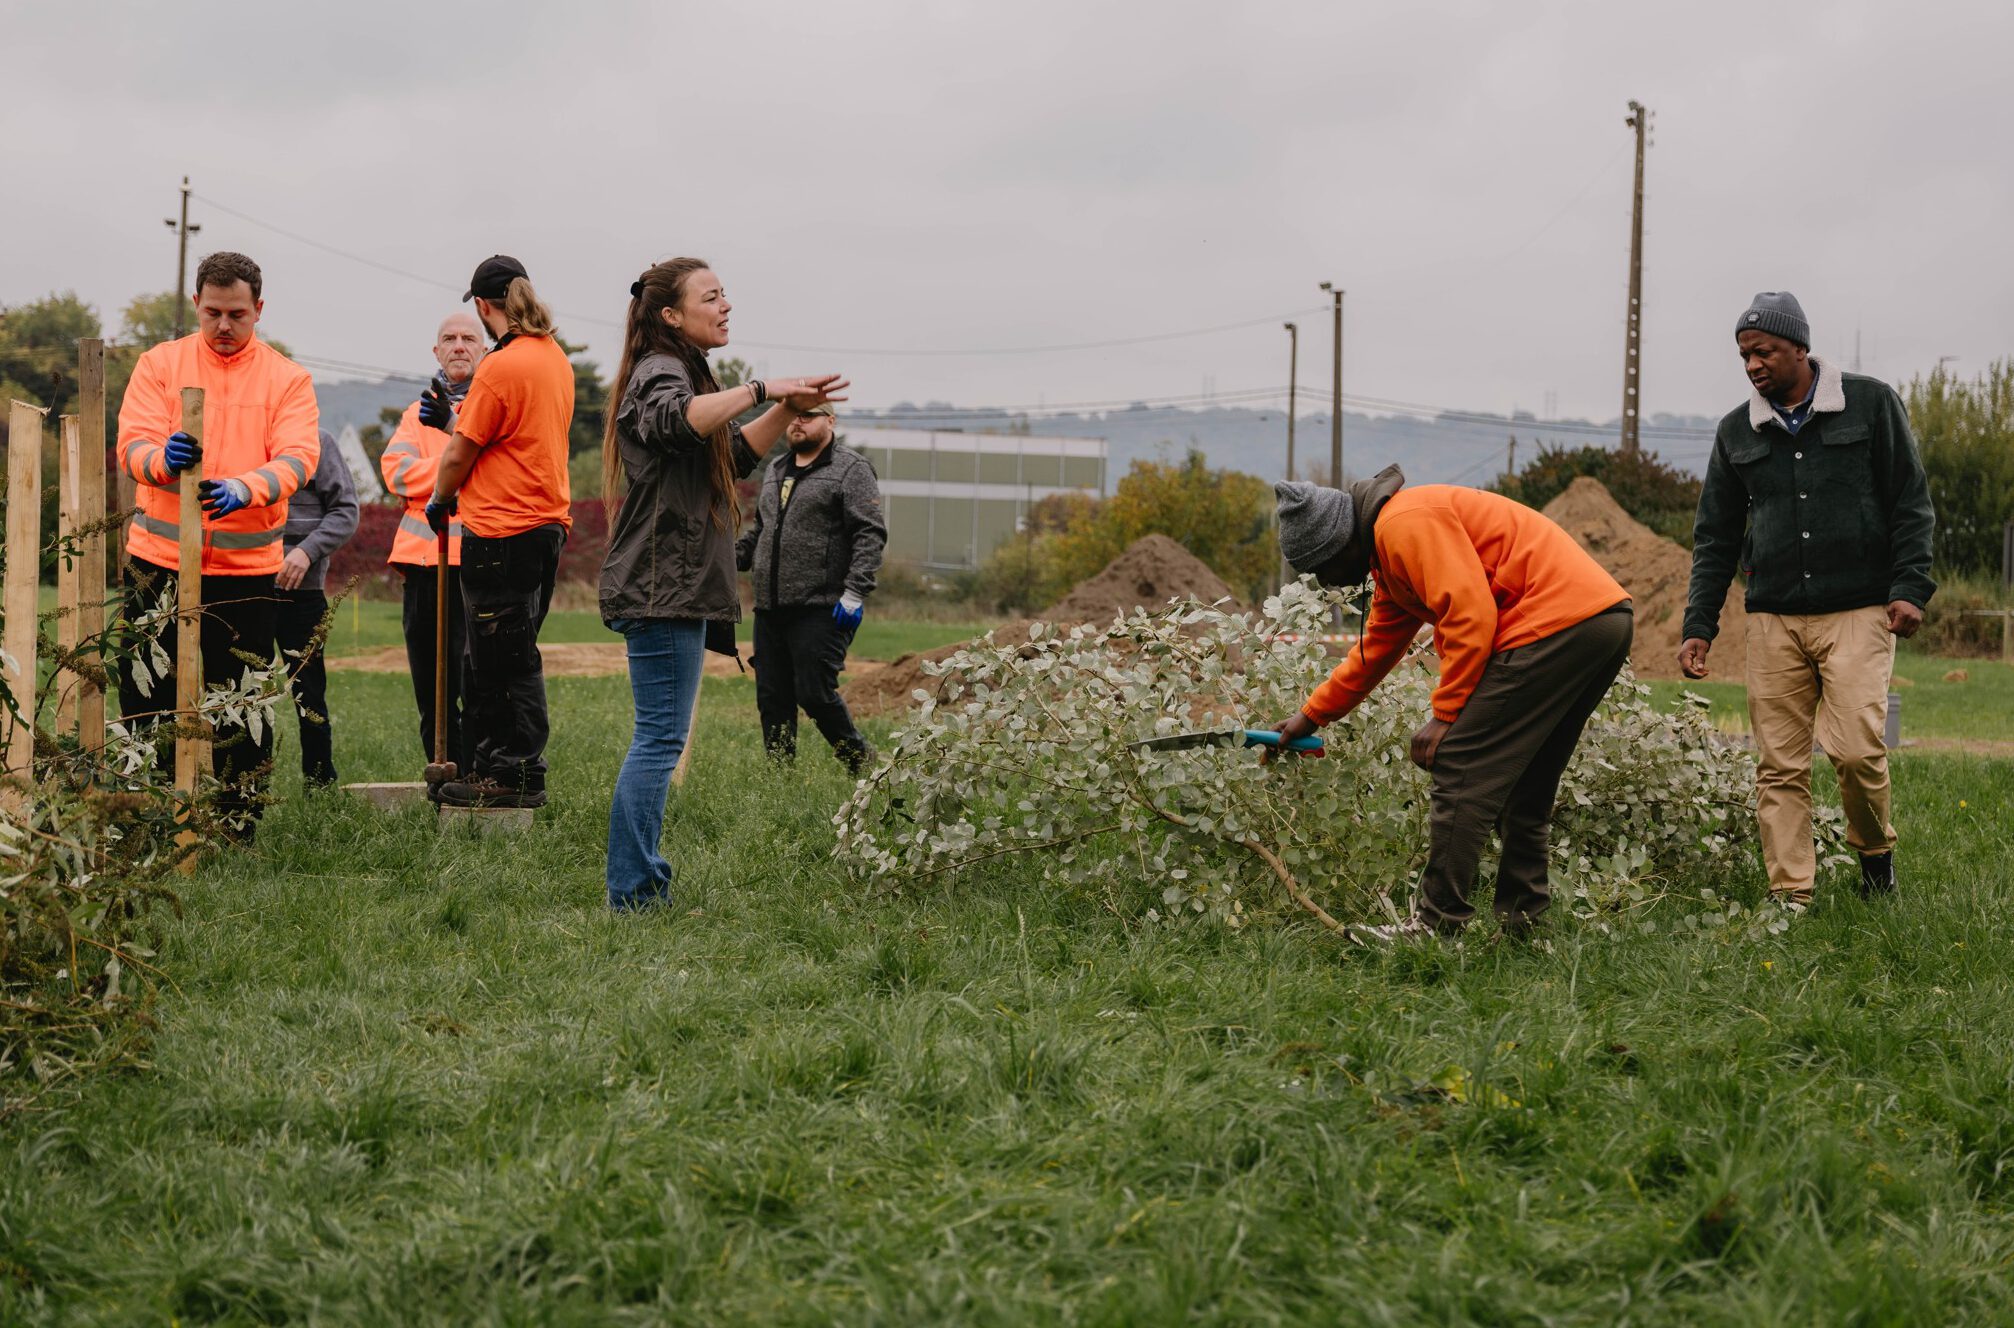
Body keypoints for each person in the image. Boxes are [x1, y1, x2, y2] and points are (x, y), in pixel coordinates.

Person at [1270, 468, 1633, 941]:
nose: (1326, 582)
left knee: (1460, 761)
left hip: (1552, 623)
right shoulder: (1389, 558)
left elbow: (1470, 616)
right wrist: (1311, 715)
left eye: (1322, 568)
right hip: (1599, 620)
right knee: (1526, 784)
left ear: (1340, 545)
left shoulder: (1404, 525)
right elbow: (1374, 650)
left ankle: (1436, 926)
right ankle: (1524, 926)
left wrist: (1445, 718)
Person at [599, 256, 847, 911]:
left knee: (659, 737)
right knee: (658, 739)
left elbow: (727, 456)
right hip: (662, 585)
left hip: (673, 584)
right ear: (672, 316)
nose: (726, 305)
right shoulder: (661, 370)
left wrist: (786, 406)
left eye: (726, 294)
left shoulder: (682, 370)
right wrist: (762, 388)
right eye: (712, 296)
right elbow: (673, 420)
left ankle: (639, 883)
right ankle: (633, 892)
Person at [1679, 292, 1936, 906]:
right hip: (1773, 617)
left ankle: (1875, 859)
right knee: (1779, 765)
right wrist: (1699, 623)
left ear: (1799, 346)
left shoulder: (1870, 404)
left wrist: (1910, 588)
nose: (1752, 365)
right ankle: (1791, 893)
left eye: (1763, 351)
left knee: (1854, 750)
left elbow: (1910, 502)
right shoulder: (1736, 430)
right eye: (1744, 355)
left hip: (1859, 609)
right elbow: (1714, 537)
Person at [116, 250, 321, 835]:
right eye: (212, 313)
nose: (224, 326)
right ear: (197, 306)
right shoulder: (161, 364)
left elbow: (299, 458)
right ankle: (148, 812)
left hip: (246, 566)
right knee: (144, 690)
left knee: (242, 695)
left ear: (259, 309)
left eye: (236, 314)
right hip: (157, 563)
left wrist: (246, 487)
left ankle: (238, 822)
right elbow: (130, 444)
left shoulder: (287, 378)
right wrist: (160, 460)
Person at [423, 256, 575, 810]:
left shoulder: (501, 366)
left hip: (502, 531)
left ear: (484, 308)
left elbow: (463, 446)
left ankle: (511, 773)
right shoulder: (555, 358)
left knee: (500, 659)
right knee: (511, 650)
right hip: (545, 526)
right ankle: (500, 767)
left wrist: (440, 500)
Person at [736, 401, 886, 774]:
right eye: (793, 416)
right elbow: (761, 533)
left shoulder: (850, 469)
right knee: (773, 699)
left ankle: (863, 764)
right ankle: (779, 780)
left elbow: (870, 533)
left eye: (807, 416)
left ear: (830, 421)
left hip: (823, 607)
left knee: (814, 693)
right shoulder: (776, 468)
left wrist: (855, 592)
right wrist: (722, 559)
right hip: (770, 608)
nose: (797, 423)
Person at [380, 313, 485, 776]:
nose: (459, 345)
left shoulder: (493, 406)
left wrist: (445, 468)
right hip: (425, 565)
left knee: (477, 679)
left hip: (481, 564)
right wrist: (460, 466)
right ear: (436, 351)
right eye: (450, 338)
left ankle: (481, 779)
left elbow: (498, 470)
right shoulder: (416, 413)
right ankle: (444, 776)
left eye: (469, 338)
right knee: (432, 684)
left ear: (484, 350)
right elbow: (396, 473)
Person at [272, 427, 359, 787]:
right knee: (237, 694)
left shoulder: (317, 441)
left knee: (309, 693)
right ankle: (243, 790)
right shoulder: (239, 438)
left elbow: (346, 511)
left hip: (302, 593)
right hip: (243, 586)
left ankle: (319, 782)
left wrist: (307, 551)